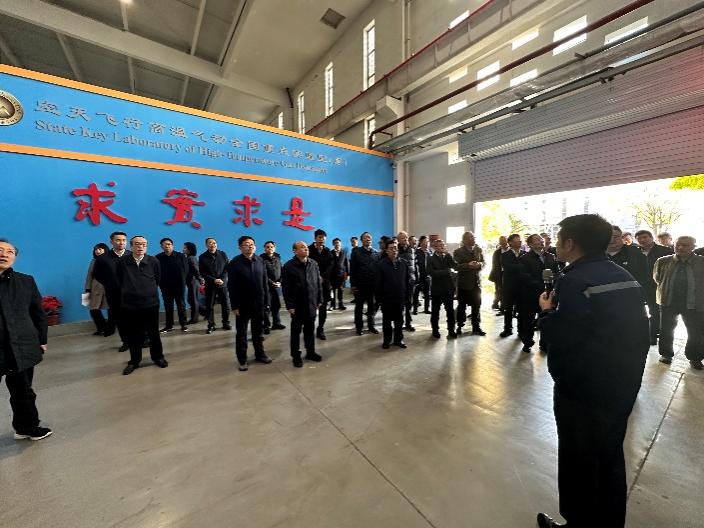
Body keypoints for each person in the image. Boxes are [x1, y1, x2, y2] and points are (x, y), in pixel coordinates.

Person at [536, 214, 649, 528]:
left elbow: (564, 334)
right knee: (609, 456)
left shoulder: (574, 280)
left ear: (570, 243)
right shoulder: (624, 275)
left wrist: (546, 313)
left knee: (580, 459)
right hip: (622, 383)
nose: (556, 244)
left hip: (583, 390)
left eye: (559, 239)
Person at [0, 238, 52, 441]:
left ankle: (26, 427)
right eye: (0, 250)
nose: (4, 254)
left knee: (23, 391)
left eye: (9, 252)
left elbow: (38, 313)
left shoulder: (25, 281)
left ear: (15, 257)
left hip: (21, 346)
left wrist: (42, 339)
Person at [117, 236, 168, 375]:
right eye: (138, 244)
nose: (141, 247)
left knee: (153, 333)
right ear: (131, 246)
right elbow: (118, 279)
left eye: (144, 244)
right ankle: (134, 361)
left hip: (150, 304)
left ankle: (158, 357)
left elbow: (157, 279)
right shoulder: (123, 262)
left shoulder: (153, 261)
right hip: (130, 305)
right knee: (134, 334)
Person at [653, 236, 704, 370]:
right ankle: (666, 354)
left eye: (685, 245)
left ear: (693, 247)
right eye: (678, 245)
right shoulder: (663, 261)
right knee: (666, 330)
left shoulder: (701, 262)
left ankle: (695, 357)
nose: (680, 248)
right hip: (668, 301)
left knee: (695, 332)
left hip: (694, 303)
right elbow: (657, 278)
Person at [226, 236, 271, 372]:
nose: (250, 246)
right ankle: (242, 359)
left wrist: (266, 301)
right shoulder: (234, 263)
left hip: (259, 303)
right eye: (246, 244)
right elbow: (231, 286)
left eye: (252, 244)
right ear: (240, 247)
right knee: (242, 333)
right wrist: (234, 305)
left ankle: (260, 354)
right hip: (242, 304)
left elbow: (265, 283)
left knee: (258, 331)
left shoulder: (260, 261)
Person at [282, 241, 324, 367]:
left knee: (310, 330)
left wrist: (319, 299)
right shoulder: (288, 266)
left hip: (311, 303)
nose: (306, 249)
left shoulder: (313, 264)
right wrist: (290, 305)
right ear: (295, 251)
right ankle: (296, 356)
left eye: (306, 247)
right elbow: (286, 288)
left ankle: (310, 352)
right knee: (296, 332)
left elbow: (318, 282)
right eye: (302, 247)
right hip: (297, 305)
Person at [518, 234, 559, 353]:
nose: (541, 241)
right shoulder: (525, 258)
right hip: (531, 294)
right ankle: (527, 342)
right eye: (537, 239)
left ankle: (544, 343)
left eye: (541, 239)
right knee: (529, 320)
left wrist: (552, 286)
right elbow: (525, 277)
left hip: (549, 295)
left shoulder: (551, 256)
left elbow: (557, 272)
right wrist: (542, 287)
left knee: (547, 318)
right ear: (530, 244)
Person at [93, 231, 131, 352]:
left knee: (136, 317)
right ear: (111, 242)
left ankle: (142, 339)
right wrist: (110, 284)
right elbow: (97, 274)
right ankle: (126, 342)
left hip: (132, 293)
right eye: (118, 240)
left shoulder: (131, 255)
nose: (121, 243)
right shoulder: (103, 259)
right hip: (114, 294)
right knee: (120, 319)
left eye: (124, 240)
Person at [635, 229, 674, 345]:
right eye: (639, 238)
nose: (642, 240)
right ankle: (647, 334)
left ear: (651, 238)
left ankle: (654, 335)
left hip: (659, 285)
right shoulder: (634, 252)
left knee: (657, 312)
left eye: (645, 237)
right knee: (643, 312)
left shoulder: (665, 250)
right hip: (641, 286)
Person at [375, 239, 411, 349]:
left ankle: (398, 340)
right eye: (391, 248)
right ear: (386, 251)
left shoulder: (404, 263)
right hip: (387, 298)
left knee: (399, 321)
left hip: (400, 297)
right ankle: (387, 340)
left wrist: (407, 297)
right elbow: (378, 284)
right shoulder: (381, 265)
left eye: (395, 248)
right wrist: (379, 299)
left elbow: (407, 281)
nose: (394, 250)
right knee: (387, 321)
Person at [453, 231, 485, 336]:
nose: (474, 238)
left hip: (476, 283)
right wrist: (468, 265)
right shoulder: (458, 252)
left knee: (477, 306)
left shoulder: (478, 249)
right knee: (462, 306)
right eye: (471, 237)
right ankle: (459, 325)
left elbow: (484, 263)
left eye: (474, 237)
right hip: (464, 284)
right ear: (465, 240)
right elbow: (455, 266)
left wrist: (480, 264)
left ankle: (476, 327)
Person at [155, 238, 189, 333]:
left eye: (169, 244)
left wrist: (183, 282)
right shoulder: (158, 257)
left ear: (172, 245)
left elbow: (186, 270)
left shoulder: (181, 256)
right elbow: (156, 272)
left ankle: (183, 324)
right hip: (165, 286)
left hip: (179, 285)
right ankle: (169, 326)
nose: (167, 246)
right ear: (161, 246)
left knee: (181, 305)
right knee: (168, 306)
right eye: (164, 244)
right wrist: (160, 283)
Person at [199, 237, 231, 334]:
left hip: (222, 284)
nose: (212, 244)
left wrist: (222, 279)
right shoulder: (202, 257)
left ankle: (226, 323)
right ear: (206, 245)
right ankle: (211, 325)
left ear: (216, 244)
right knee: (209, 306)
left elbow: (226, 268)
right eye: (210, 243)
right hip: (210, 285)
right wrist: (214, 280)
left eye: (214, 243)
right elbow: (202, 272)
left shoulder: (223, 254)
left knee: (226, 305)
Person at [427, 239, 458, 339]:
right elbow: (431, 272)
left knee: (450, 312)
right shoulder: (430, 259)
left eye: (443, 245)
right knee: (435, 312)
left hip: (448, 289)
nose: (442, 247)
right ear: (435, 247)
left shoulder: (447, 256)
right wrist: (446, 271)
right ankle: (435, 330)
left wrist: (449, 255)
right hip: (437, 290)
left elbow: (455, 266)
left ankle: (451, 330)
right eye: (439, 245)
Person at [350, 232, 379, 335]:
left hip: (372, 285)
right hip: (360, 285)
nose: (368, 239)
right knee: (359, 307)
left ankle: (371, 326)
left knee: (372, 307)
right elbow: (352, 269)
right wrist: (353, 284)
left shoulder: (376, 253)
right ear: (362, 240)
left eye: (369, 237)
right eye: (366, 237)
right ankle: (359, 327)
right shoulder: (356, 252)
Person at [308, 229, 333, 340]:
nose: (322, 239)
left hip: (324, 283)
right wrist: (316, 277)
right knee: (311, 309)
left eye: (323, 238)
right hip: (311, 284)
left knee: (323, 308)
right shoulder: (308, 249)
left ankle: (320, 329)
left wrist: (323, 277)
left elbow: (331, 265)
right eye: (320, 237)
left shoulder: (328, 251)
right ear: (315, 238)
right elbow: (307, 265)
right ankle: (309, 329)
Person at [499, 234, 525, 338]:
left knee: (521, 309)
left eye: (520, 240)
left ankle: (521, 330)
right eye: (517, 240)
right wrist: (521, 266)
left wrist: (518, 267)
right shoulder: (505, 255)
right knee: (508, 309)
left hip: (522, 286)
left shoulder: (525, 254)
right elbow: (507, 267)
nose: (520, 241)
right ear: (510, 243)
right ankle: (507, 329)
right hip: (509, 287)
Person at [84, 242, 110, 335]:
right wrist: (87, 289)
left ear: (105, 250)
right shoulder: (93, 261)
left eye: (100, 249)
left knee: (111, 309)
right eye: (96, 249)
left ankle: (110, 328)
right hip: (95, 288)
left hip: (109, 288)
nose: (97, 251)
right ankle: (101, 327)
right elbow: (89, 276)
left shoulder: (111, 260)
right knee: (93, 309)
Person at [261, 241, 285, 333]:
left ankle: (276, 323)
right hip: (266, 287)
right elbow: (262, 274)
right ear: (264, 248)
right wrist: (271, 283)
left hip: (276, 287)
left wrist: (280, 282)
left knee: (276, 305)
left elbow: (282, 271)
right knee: (266, 306)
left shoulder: (277, 258)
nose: (269, 248)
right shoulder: (261, 259)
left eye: (271, 247)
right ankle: (266, 326)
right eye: (267, 247)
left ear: (274, 248)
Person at [396, 231, 417, 332]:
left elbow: (414, 265)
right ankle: (399, 324)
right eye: (402, 238)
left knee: (409, 303)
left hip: (410, 280)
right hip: (400, 281)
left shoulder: (411, 250)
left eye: (406, 237)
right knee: (399, 304)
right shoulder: (396, 250)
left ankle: (408, 323)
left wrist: (415, 277)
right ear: (398, 240)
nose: (405, 239)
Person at [182, 242, 203, 324]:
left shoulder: (191, 258)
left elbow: (196, 269)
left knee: (193, 300)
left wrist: (200, 279)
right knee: (191, 300)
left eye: (185, 248)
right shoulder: (188, 257)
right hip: (191, 281)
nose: (183, 249)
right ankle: (206, 312)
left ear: (189, 249)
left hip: (193, 281)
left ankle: (194, 319)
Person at [489, 236, 508, 312]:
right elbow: (495, 264)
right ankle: (497, 304)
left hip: (508, 274)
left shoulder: (511, 251)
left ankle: (502, 305)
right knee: (498, 290)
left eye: (505, 240)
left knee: (505, 290)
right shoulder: (497, 252)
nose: (503, 242)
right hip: (499, 274)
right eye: (501, 241)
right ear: (499, 242)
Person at [329, 238, 349, 310]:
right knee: (332, 290)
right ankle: (332, 305)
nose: (337, 244)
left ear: (340, 244)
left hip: (341, 275)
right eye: (335, 243)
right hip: (332, 275)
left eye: (338, 242)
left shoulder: (344, 252)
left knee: (341, 290)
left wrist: (348, 274)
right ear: (333, 244)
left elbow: (347, 263)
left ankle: (341, 305)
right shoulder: (330, 253)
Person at [413, 235, 431, 315]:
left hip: (427, 276)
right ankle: (415, 309)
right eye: (424, 242)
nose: (426, 243)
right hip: (419, 275)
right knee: (416, 292)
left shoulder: (429, 252)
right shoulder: (416, 252)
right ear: (420, 242)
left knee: (427, 293)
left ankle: (426, 308)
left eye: (427, 242)